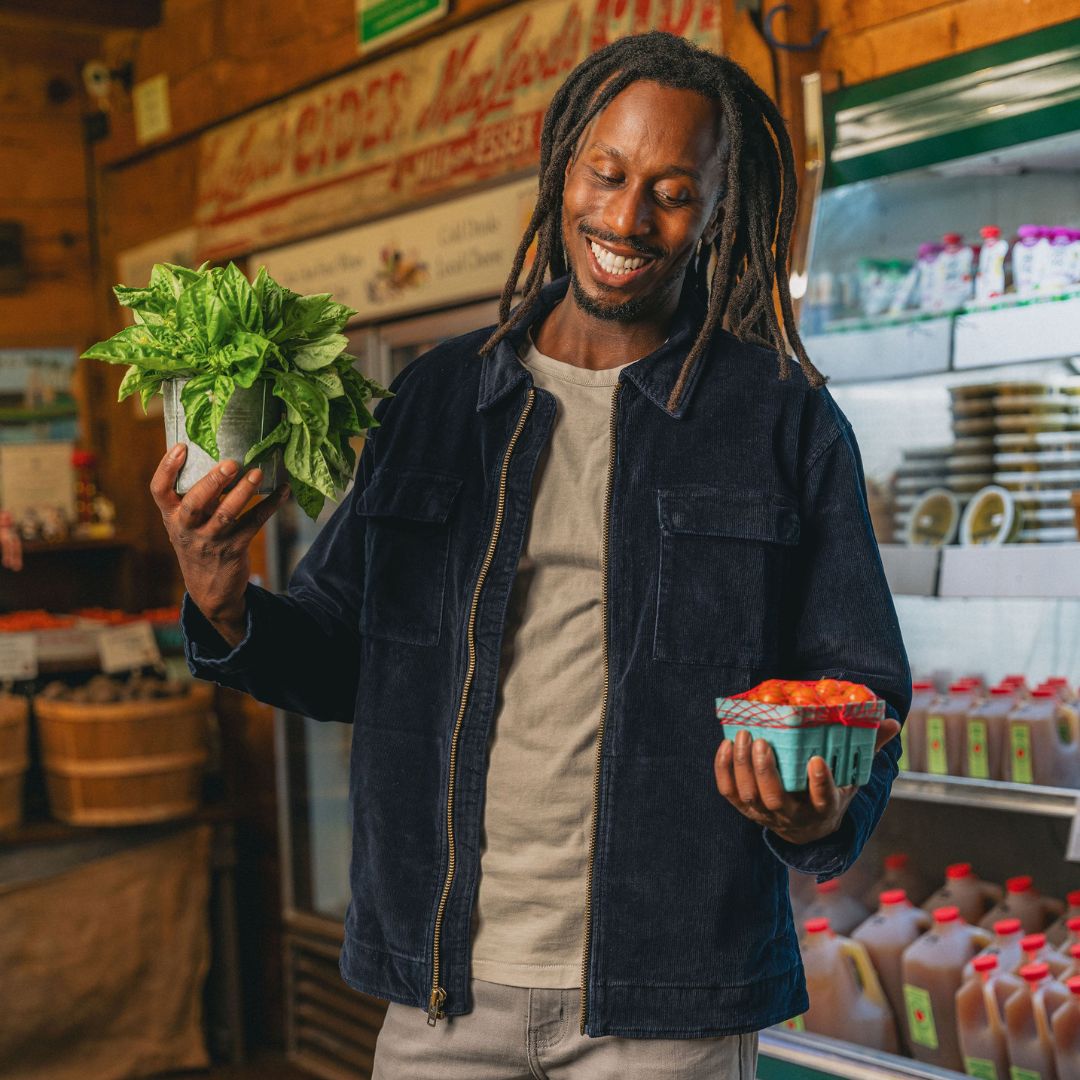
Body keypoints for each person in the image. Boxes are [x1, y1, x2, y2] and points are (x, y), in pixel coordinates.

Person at [155, 32, 911, 1078]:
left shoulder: (780, 418)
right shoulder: (437, 397)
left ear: (717, 211)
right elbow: (338, 656)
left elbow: (861, 688)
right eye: (607, 173)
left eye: (673, 193)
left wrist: (822, 802)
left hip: (669, 999)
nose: (628, 218)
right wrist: (220, 596)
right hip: (442, 990)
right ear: (562, 168)